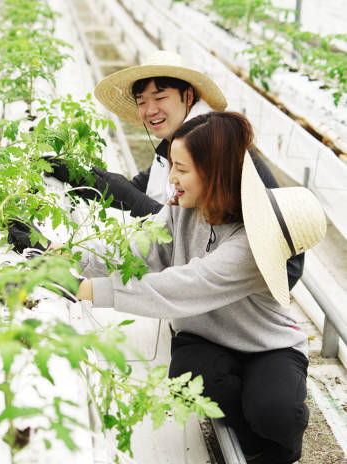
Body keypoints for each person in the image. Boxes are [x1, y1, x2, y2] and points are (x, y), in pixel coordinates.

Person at [73, 112, 326, 463]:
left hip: (266, 344)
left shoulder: (252, 242)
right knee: (191, 377)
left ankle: (279, 448)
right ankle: (251, 445)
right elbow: (133, 250)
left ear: (214, 173)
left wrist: (86, 289)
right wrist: (62, 255)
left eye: (181, 169)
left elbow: (183, 286)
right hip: (206, 336)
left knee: (274, 414)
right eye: (172, 166)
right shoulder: (181, 209)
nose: (171, 178)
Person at [39, 50, 304, 289]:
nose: (149, 110)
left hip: (264, 264)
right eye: (142, 101)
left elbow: (186, 227)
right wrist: (77, 175)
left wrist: (130, 199)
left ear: (187, 96)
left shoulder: (209, 144)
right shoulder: (178, 141)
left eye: (160, 97)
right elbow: (137, 189)